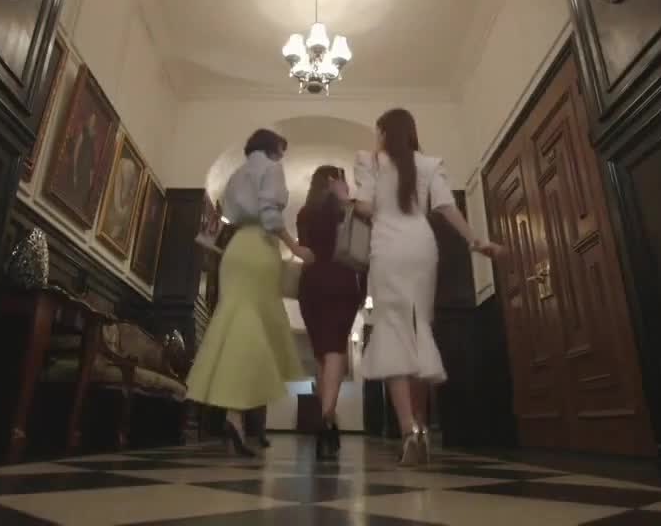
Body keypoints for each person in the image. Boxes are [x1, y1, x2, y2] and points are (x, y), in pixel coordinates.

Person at [354, 108, 502, 467]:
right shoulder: (430, 164)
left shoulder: (370, 161)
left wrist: (355, 202)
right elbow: (446, 207)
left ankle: (409, 429)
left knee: (393, 333)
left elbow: (365, 207)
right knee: (419, 330)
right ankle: (421, 422)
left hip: (388, 250)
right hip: (422, 247)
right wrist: (476, 241)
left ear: (383, 133)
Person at [185, 128, 315, 456]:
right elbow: (270, 215)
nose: (282, 156)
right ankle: (236, 415)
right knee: (253, 333)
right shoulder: (271, 168)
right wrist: (294, 247)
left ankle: (235, 416)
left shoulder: (236, 174)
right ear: (273, 148)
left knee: (236, 329)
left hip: (236, 250)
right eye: (281, 149)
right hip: (259, 249)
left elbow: (229, 215)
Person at [297, 165, 366, 460]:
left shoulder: (304, 213)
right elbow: (361, 244)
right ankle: (327, 419)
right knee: (336, 349)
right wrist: (347, 199)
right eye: (343, 180)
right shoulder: (346, 208)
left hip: (311, 285)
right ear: (332, 180)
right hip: (341, 281)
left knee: (322, 355)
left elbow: (308, 250)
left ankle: (328, 417)